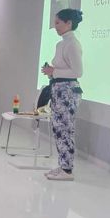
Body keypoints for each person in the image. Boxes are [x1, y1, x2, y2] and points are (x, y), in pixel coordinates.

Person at [42, 9, 84, 181]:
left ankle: (67, 169)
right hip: (59, 90)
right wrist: (51, 73)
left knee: (65, 129)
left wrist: (55, 71)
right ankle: (62, 166)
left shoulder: (73, 44)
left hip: (67, 92)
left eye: (58, 23)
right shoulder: (61, 44)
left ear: (69, 23)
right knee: (58, 129)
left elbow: (78, 71)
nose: (55, 26)